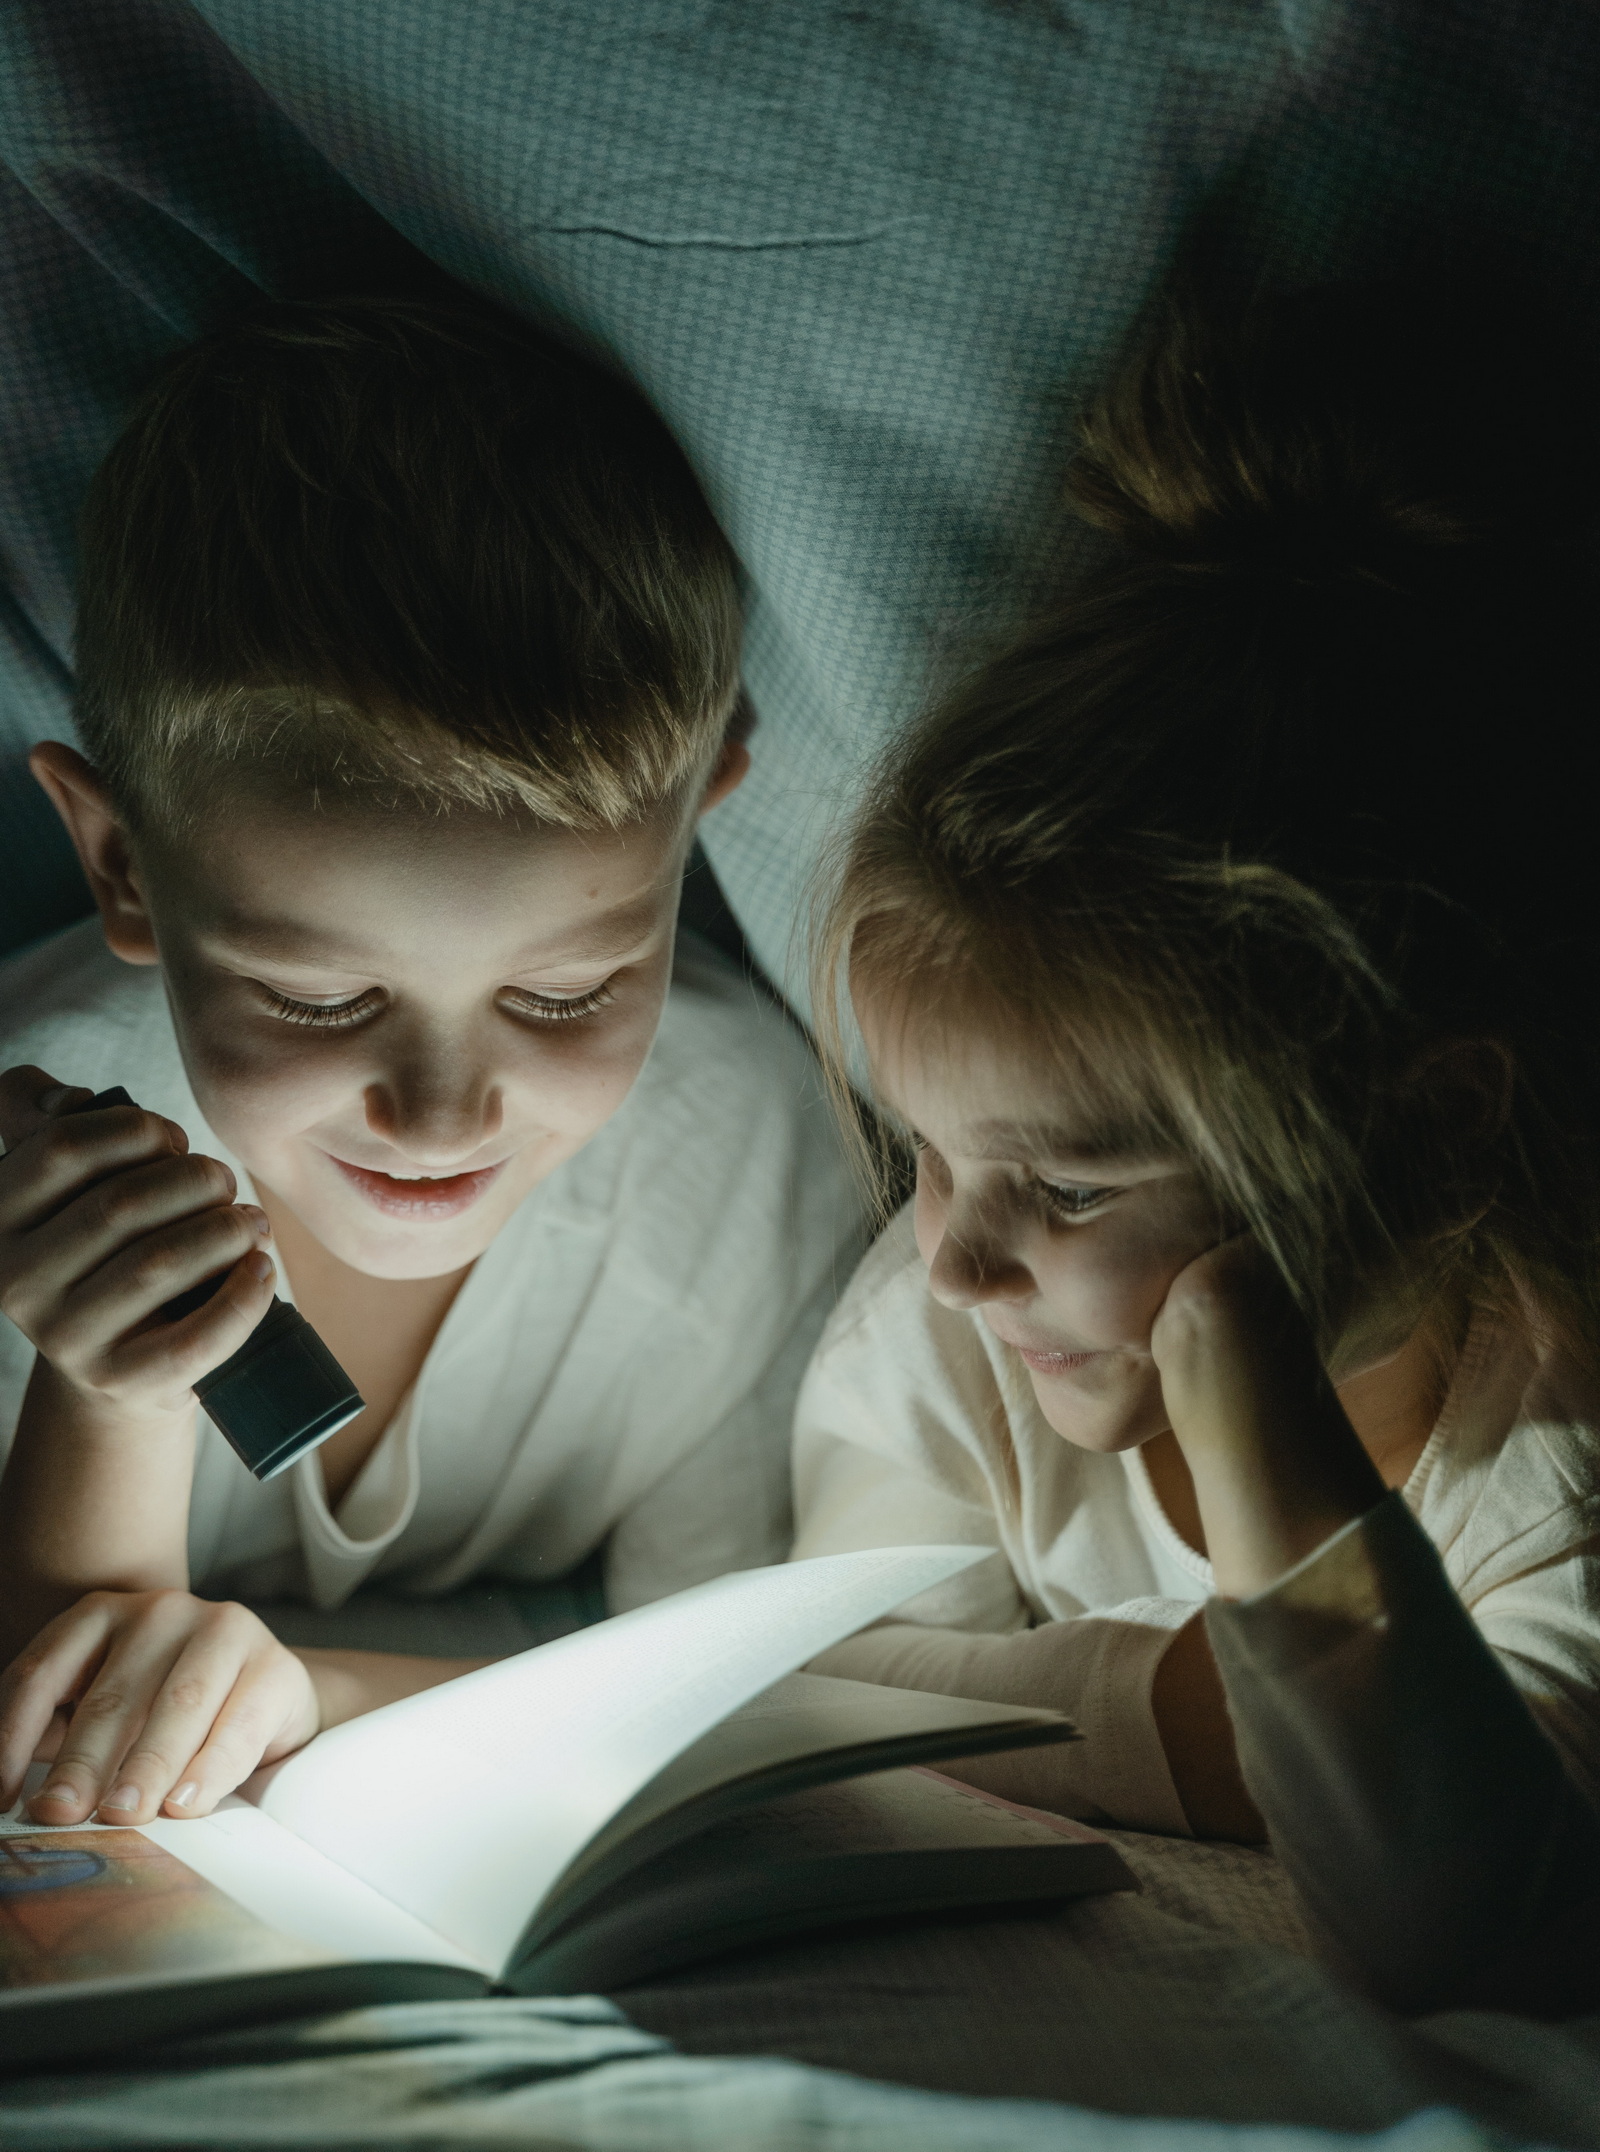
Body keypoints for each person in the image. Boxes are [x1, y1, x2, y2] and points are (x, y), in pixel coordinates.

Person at [790, 283, 1600, 2014]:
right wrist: (1199, 1726)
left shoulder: (1553, 1441)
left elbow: (1458, 1918)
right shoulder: (957, 1334)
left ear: (1433, 1131)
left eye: (1071, 1185)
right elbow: (824, 1670)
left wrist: (1257, 1410)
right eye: (921, 1148)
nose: (950, 1255)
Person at [0, 294, 860, 1834]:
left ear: (697, 823)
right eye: (320, 1000)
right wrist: (108, 1401)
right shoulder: (29, 1161)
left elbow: (734, 1691)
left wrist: (314, 1692)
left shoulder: (754, 1164)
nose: (443, 1114)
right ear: (123, 866)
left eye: (572, 986)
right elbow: (47, 1748)